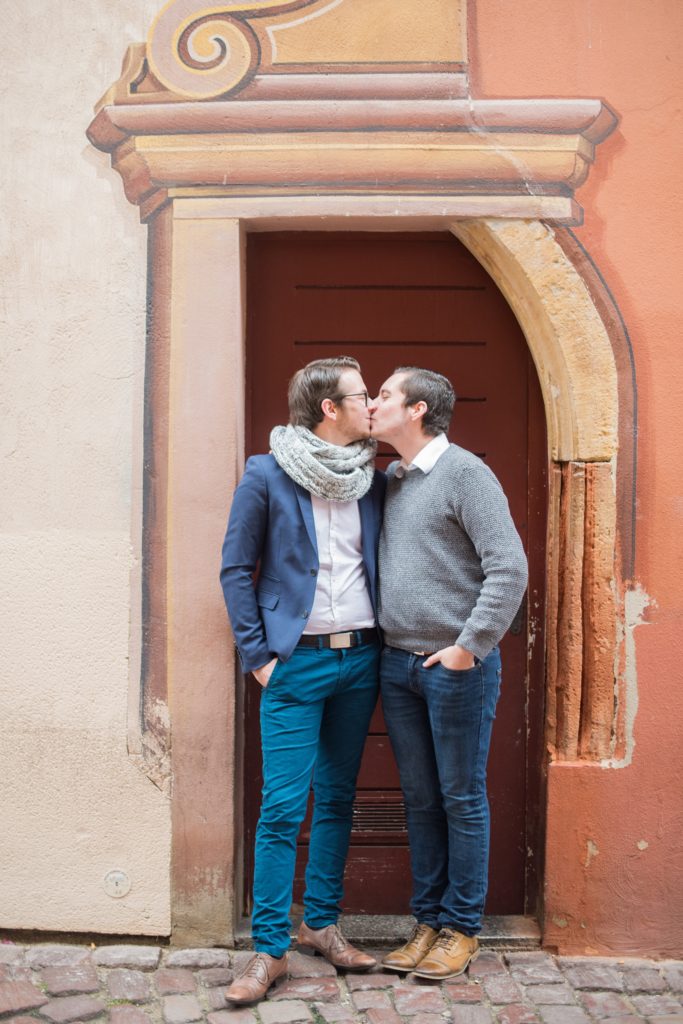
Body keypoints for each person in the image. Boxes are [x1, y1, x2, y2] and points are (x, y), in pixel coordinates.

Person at [219, 356, 384, 1004]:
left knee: (337, 799)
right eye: (360, 394)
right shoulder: (266, 474)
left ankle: (320, 924)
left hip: (360, 659)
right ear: (329, 409)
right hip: (296, 662)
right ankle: (267, 950)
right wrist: (257, 656)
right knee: (282, 808)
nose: (370, 403)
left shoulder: (373, 476)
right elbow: (235, 568)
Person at [370, 366, 528, 980]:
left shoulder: (465, 473)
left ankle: (462, 929)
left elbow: (508, 568)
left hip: (454, 667)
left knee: (461, 798)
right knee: (420, 800)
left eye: (384, 395)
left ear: (418, 409)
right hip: (397, 663)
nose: (374, 403)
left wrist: (469, 646)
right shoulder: (394, 477)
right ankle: (427, 922)